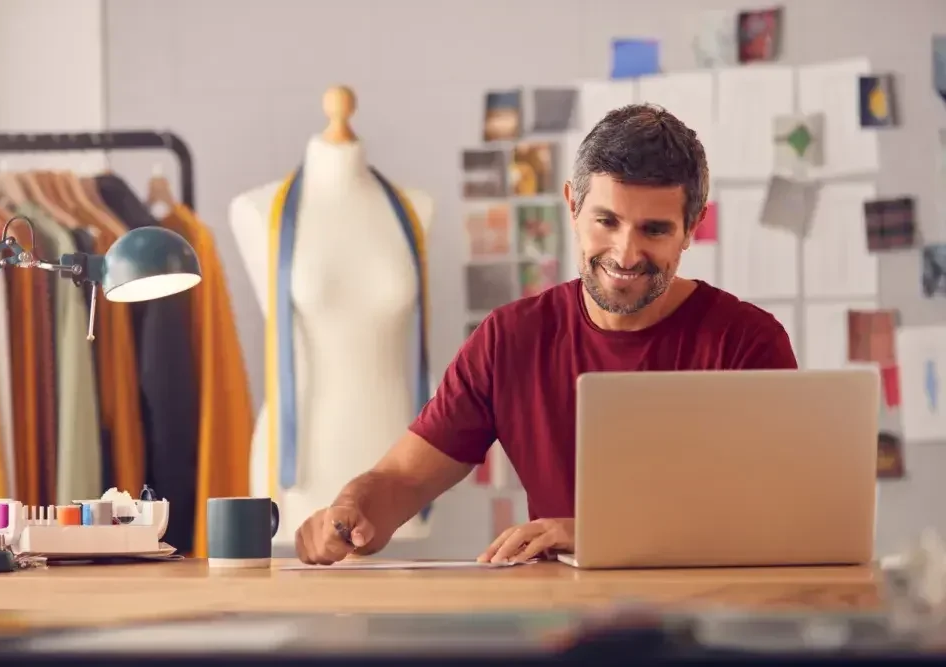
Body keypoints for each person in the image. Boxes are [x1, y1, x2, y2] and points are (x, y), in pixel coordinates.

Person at [294, 103, 798, 566]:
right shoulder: (510, 338)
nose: (625, 254)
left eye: (655, 230)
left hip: (711, 620)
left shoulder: (747, 341)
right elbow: (403, 479)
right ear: (572, 207)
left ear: (692, 228)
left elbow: (777, 518)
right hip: (564, 622)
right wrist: (349, 510)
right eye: (606, 221)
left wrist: (598, 533)